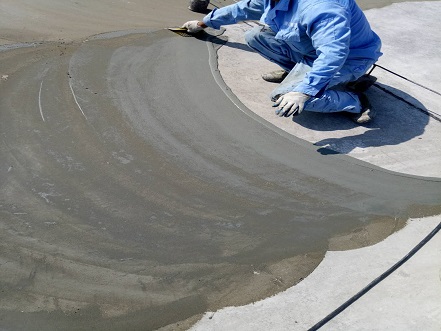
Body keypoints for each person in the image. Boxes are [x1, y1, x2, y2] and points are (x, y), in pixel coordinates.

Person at [182, 0, 382, 124]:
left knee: (285, 98)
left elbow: (333, 55)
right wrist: (204, 22)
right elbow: (244, 8)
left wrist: (304, 91)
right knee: (255, 36)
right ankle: (300, 73)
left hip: (349, 58)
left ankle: (355, 100)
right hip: (312, 49)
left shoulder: (322, 8)